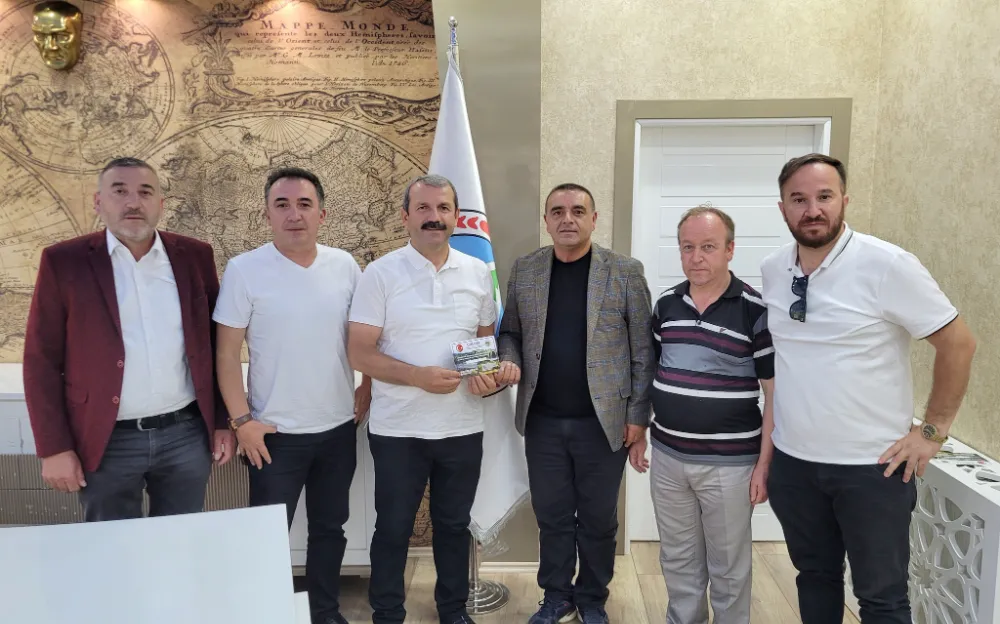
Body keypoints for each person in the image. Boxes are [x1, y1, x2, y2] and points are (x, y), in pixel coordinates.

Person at [760, 153, 977, 623]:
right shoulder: (774, 269)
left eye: (824, 196)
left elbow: (958, 344)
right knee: (814, 578)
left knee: (881, 598)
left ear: (844, 200)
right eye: (798, 199)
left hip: (871, 470)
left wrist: (933, 431)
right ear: (782, 208)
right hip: (795, 466)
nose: (812, 210)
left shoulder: (888, 264)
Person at [23, 156, 233, 521]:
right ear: (98, 202)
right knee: (112, 546)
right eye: (119, 191)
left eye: (145, 192)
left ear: (160, 204)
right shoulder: (65, 262)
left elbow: (215, 347)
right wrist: (54, 448)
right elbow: (41, 360)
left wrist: (220, 422)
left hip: (185, 437)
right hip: (106, 441)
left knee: (180, 541)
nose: (133, 202)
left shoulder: (194, 257)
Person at [213, 167, 370, 624]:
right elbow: (226, 355)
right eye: (281, 205)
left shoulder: (345, 266)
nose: (294, 214)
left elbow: (367, 336)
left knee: (329, 529)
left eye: (304, 204)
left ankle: (325, 612)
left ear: (322, 214)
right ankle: (266, 613)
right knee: (266, 536)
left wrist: (368, 385)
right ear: (267, 215)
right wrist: (242, 422)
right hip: (272, 435)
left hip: (337, 428)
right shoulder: (245, 270)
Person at [495, 183, 655, 624]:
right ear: (546, 220)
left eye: (578, 211)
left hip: (603, 423)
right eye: (558, 211)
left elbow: (643, 351)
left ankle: (592, 597)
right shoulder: (526, 270)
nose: (568, 219)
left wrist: (638, 417)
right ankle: (557, 596)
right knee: (552, 516)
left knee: (599, 519)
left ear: (594, 219)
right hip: (543, 422)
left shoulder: (624, 271)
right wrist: (509, 358)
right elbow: (510, 332)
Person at [347, 174, 498, 624]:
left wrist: (486, 375)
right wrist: (417, 377)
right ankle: (387, 612)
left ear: (457, 216)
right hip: (398, 430)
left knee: (453, 526)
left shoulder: (477, 273)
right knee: (393, 527)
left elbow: (483, 344)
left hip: (462, 427)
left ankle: (452, 609)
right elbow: (360, 352)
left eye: (443, 208)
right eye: (424, 208)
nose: (434, 217)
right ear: (406, 216)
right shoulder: (380, 273)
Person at [631, 206, 773, 624]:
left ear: (730, 250)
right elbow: (653, 373)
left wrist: (765, 465)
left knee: (728, 569)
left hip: (729, 465)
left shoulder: (755, 310)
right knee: (678, 561)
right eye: (687, 247)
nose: (696, 257)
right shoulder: (666, 305)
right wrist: (640, 433)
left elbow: (775, 395)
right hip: (668, 459)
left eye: (708, 247)